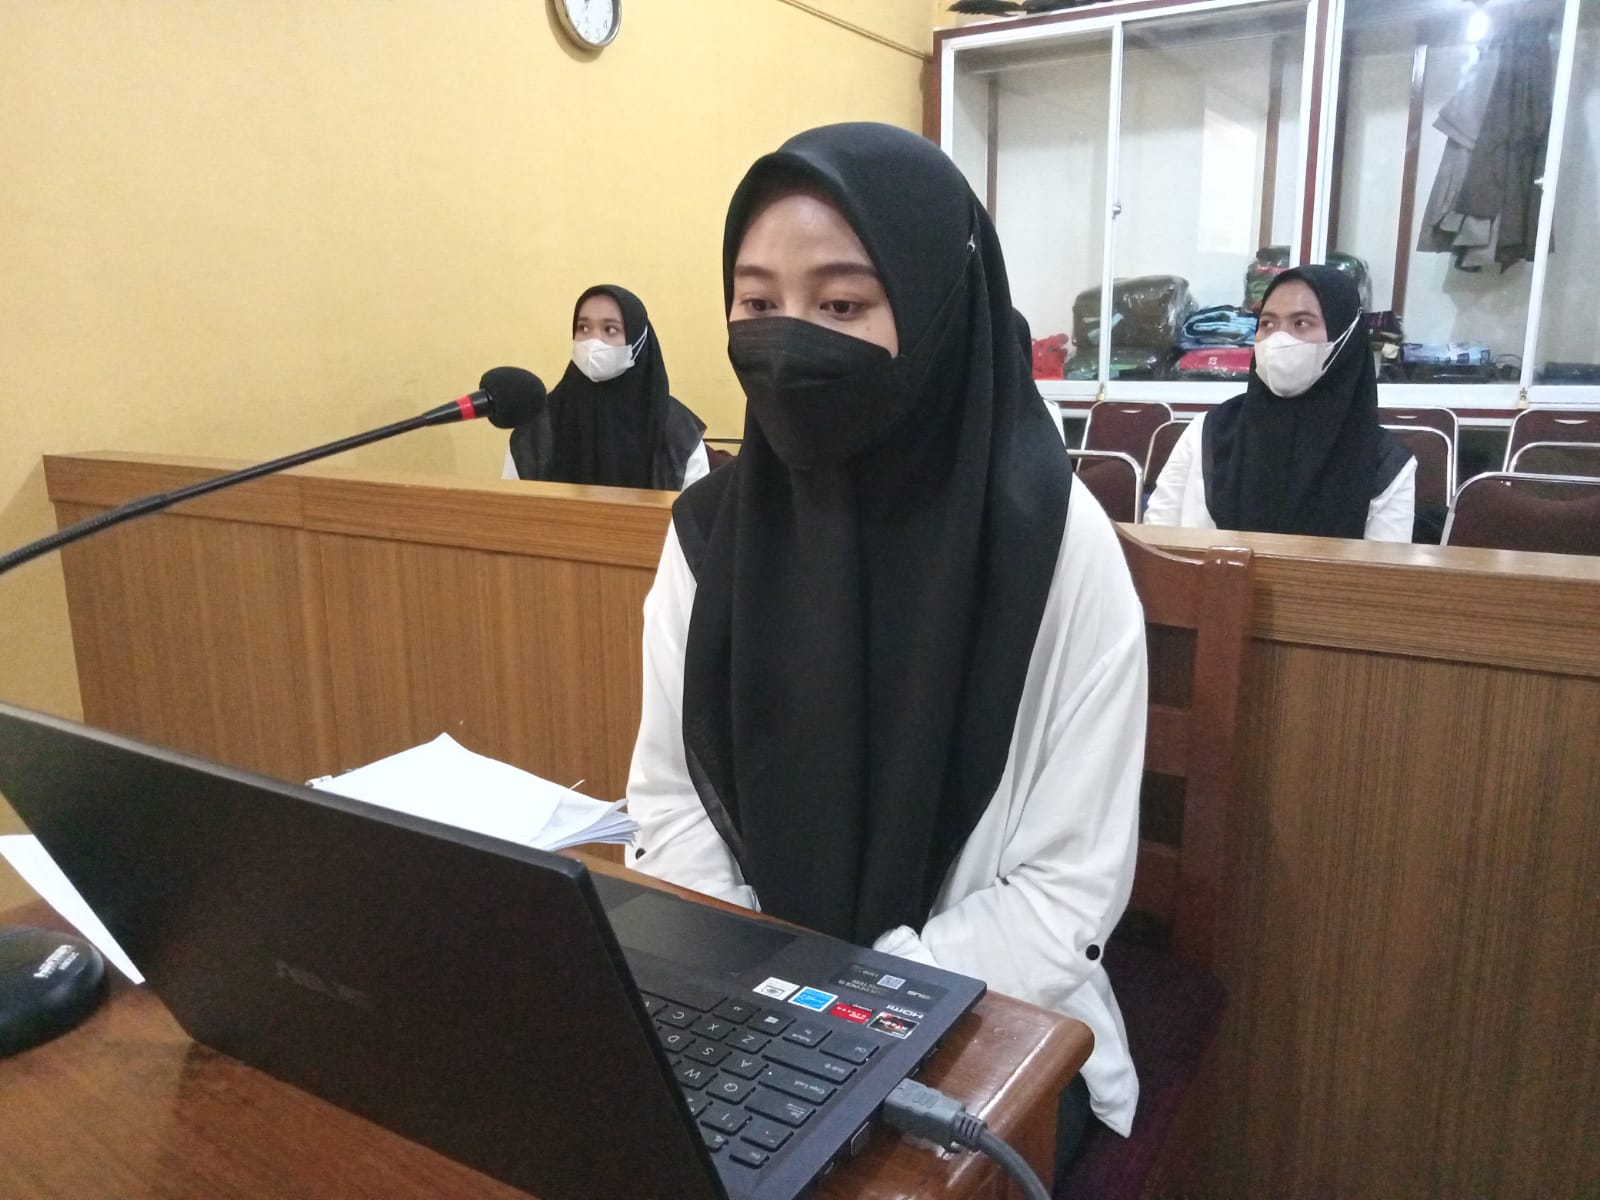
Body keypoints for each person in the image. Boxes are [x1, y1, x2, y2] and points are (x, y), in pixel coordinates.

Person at [622, 123, 1147, 1151]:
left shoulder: (1051, 543)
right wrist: (762, 992)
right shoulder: (709, 533)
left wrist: (849, 1012)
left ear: (939, 306)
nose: (788, 342)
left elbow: (1063, 891)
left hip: (992, 1015)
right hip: (741, 1007)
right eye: (757, 303)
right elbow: (670, 800)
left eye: (841, 305)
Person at [1145, 265, 1415, 540]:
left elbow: (1382, 565)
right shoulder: (1207, 432)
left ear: (1344, 337)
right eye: (1267, 324)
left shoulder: (1384, 462)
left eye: (1301, 323)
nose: (1279, 339)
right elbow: (1155, 542)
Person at [503, 284, 710, 489]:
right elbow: (510, 505)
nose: (594, 342)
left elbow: (696, 509)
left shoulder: (678, 433)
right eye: (583, 328)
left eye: (610, 329)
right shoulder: (537, 427)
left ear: (638, 340)